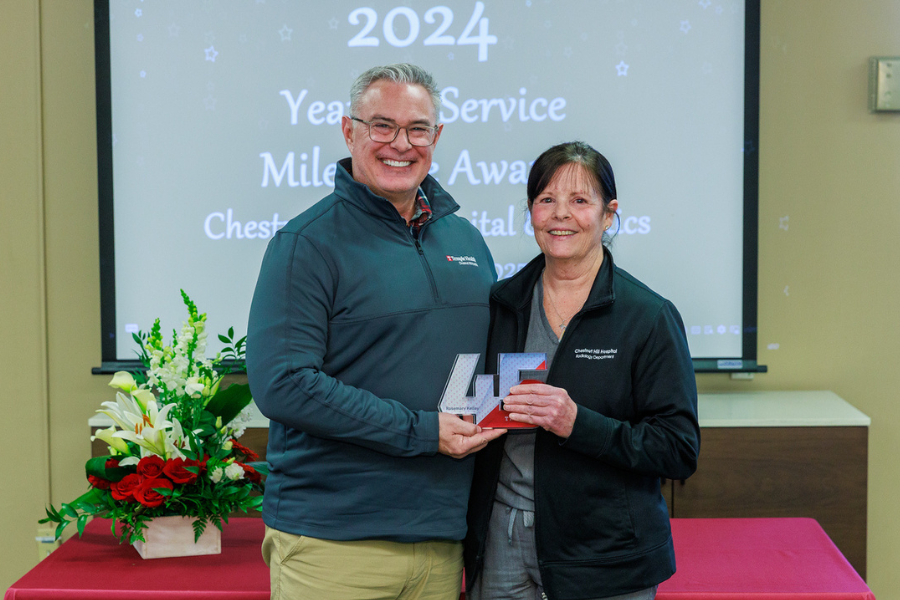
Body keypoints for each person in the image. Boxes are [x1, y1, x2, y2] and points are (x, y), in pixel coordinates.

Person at [247, 63, 505, 600]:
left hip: (440, 540)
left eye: (417, 129)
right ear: (349, 131)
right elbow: (283, 383)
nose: (400, 144)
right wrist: (420, 430)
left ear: (436, 138)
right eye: (381, 126)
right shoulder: (305, 244)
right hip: (333, 544)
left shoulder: (468, 240)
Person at [463, 141, 701, 600]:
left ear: (608, 214)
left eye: (579, 201)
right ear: (531, 210)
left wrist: (578, 424)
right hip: (500, 545)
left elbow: (678, 449)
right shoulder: (502, 303)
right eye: (546, 200)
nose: (560, 215)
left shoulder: (647, 316)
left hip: (603, 554)